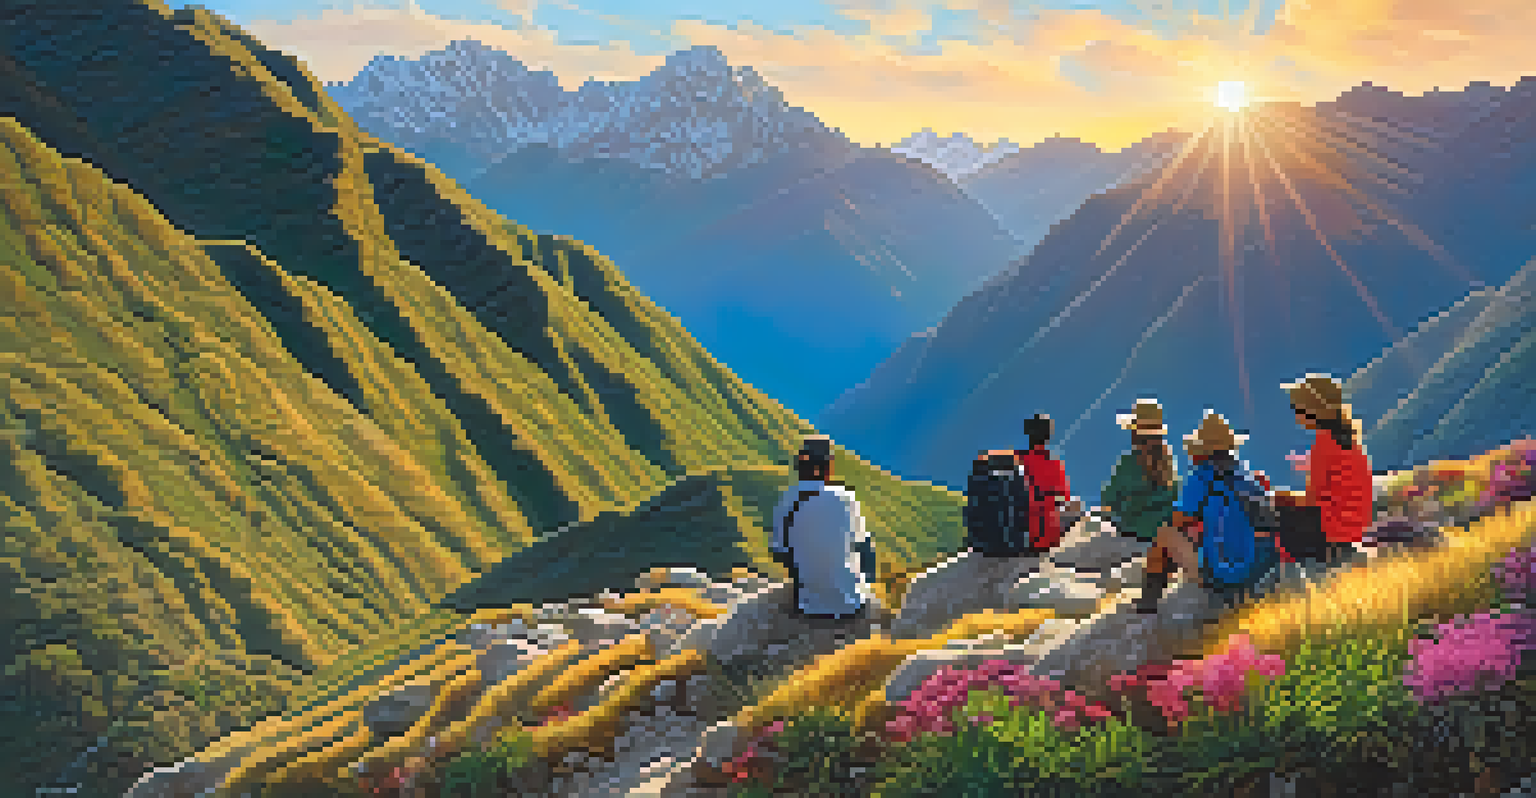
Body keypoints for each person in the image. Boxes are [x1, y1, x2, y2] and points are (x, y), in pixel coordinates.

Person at [1135, 410, 1278, 613]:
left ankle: (1147, 604)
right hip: (1259, 569)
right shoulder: (1247, 475)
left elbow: (1178, 519)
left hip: (1227, 576)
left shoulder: (1202, 476)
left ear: (1202, 452)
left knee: (1165, 534)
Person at [769, 435, 878, 620]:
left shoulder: (787, 501)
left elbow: (780, 554)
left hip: (808, 606)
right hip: (853, 604)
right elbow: (863, 547)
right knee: (863, 544)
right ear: (828, 468)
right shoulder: (846, 497)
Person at [1278, 374, 1374, 566]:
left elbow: (1312, 499)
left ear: (1312, 410)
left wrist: (1281, 497)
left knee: (1276, 514)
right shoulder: (1350, 442)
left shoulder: (1324, 442)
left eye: (1297, 408)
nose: (1295, 414)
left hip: (1330, 531)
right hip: (1354, 528)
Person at [1101, 399, 1180, 543]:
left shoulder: (1129, 462)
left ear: (1136, 433)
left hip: (1132, 536)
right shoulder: (1168, 461)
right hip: (1162, 536)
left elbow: (1109, 501)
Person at [1016, 413, 1071, 551]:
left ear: (1028, 433)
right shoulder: (1055, 464)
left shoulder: (1016, 459)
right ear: (1048, 436)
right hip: (1049, 537)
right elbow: (1064, 499)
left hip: (1019, 536)